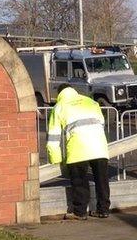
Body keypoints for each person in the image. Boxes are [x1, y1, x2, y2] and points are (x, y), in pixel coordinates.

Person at [47, 84, 111, 220]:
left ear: (60, 94)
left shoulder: (59, 106)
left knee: (80, 181)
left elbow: (53, 137)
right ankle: (103, 210)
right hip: (99, 146)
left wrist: (55, 159)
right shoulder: (91, 102)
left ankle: (79, 212)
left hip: (78, 148)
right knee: (102, 180)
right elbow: (101, 123)